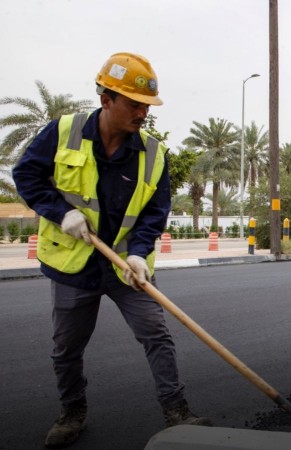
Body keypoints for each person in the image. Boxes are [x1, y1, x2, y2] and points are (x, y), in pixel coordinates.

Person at [12, 52, 210, 449]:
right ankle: (72, 413)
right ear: (107, 100)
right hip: (73, 265)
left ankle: (177, 412)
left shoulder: (154, 153)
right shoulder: (62, 132)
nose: (143, 114)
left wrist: (138, 252)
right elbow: (26, 175)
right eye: (135, 104)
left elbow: (155, 212)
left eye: (147, 106)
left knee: (157, 333)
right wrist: (60, 212)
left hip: (126, 268)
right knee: (66, 348)